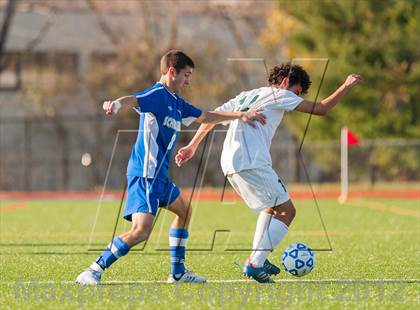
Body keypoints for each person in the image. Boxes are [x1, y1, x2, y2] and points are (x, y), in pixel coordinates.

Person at [76, 50, 266, 285]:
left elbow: (205, 116)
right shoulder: (157, 94)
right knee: (141, 231)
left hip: (160, 178)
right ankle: (93, 270)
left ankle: (177, 273)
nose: (189, 81)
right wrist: (115, 104)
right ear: (172, 72)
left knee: (185, 211)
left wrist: (240, 115)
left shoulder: (176, 102)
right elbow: (133, 100)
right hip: (145, 174)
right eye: (186, 75)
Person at [175, 63, 362, 283]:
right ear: (284, 83)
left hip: (229, 161)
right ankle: (255, 263)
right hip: (251, 161)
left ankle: (258, 260)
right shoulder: (280, 94)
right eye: (297, 92)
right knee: (287, 211)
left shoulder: (247, 95)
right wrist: (346, 85)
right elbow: (321, 108)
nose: (296, 97)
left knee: (271, 207)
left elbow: (211, 117)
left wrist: (192, 146)